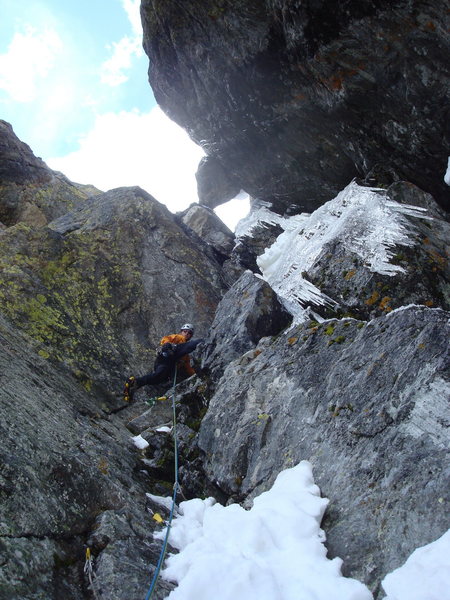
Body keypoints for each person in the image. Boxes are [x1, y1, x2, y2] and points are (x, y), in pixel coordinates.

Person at [123, 323, 203, 402]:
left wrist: (195, 375)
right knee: (191, 345)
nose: (187, 334)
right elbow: (166, 339)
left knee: (158, 377)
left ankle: (135, 383)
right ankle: (202, 341)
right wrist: (167, 346)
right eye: (185, 331)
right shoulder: (178, 337)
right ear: (181, 331)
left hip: (165, 364)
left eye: (189, 333)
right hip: (166, 357)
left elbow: (188, 367)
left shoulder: (186, 356)